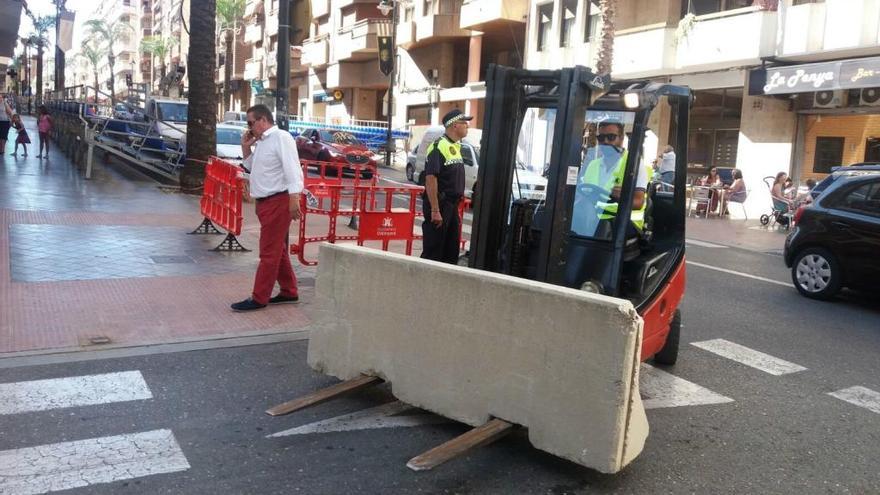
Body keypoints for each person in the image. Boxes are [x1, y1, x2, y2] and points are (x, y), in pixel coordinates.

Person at [230, 104, 304, 312]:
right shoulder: (263, 142)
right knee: (276, 250)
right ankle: (289, 291)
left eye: (251, 123)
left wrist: (294, 197)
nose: (249, 127)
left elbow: (292, 168)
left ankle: (259, 297)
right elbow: (254, 167)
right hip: (266, 202)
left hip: (277, 201)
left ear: (263, 120)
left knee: (268, 253)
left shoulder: (281, 137)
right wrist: (246, 148)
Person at [576, 121, 649, 239]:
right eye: (601, 138)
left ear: (621, 138)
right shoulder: (593, 165)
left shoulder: (634, 164)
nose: (605, 142)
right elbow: (584, 193)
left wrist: (623, 197)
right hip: (593, 221)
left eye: (611, 137)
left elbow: (639, 202)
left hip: (624, 224)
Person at [420, 109, 471, 263]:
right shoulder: (438, 146)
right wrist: (435, 210)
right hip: (440, 205)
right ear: (454, 125)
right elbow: (430, 179)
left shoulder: (456, 146)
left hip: (451, 206)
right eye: (464, 123)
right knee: (434, 251)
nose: (467, 126)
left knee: (450, 250)